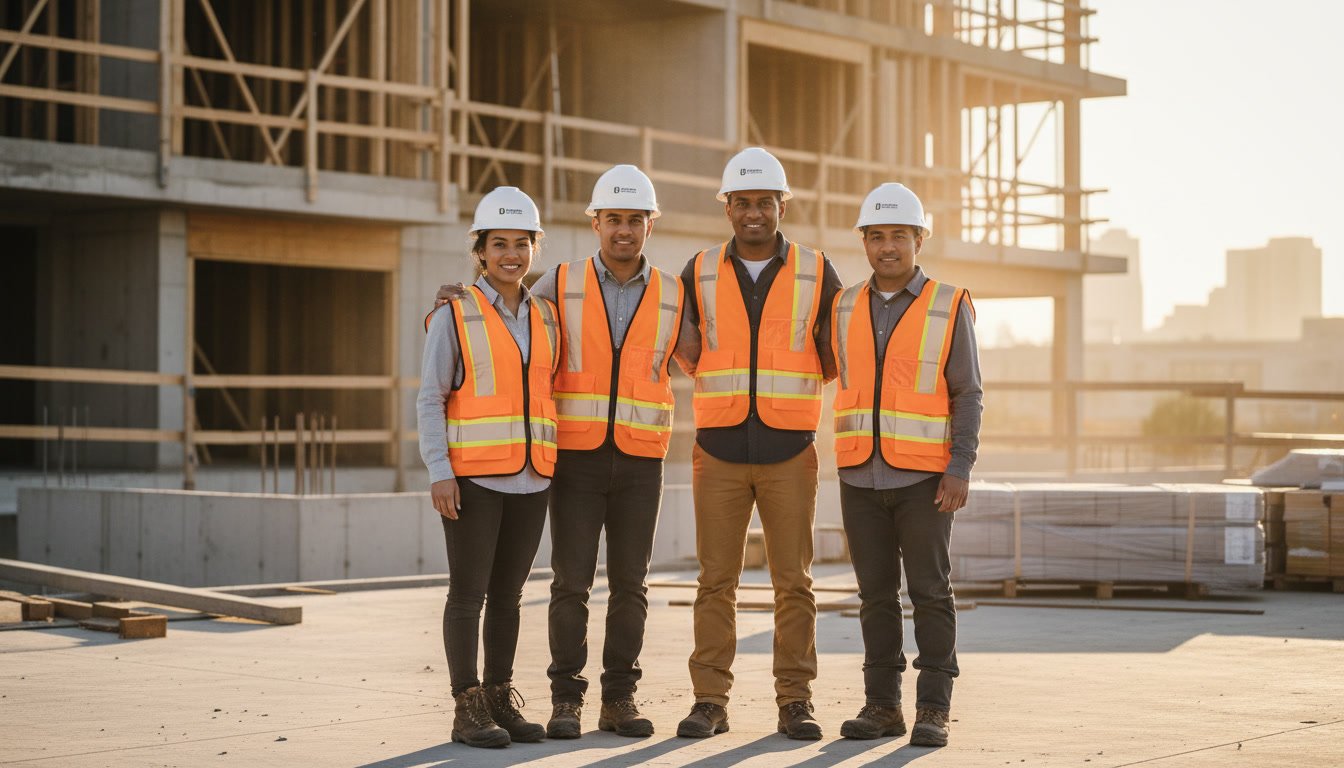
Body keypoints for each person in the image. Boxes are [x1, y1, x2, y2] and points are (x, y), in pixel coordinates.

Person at [435, 165, 684, 739]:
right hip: (573, 457)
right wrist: (453, 296)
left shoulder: (674, 293)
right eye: (613, 219)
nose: (624, 230)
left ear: (650, 224)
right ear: (595, 223)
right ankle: (566, 701)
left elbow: (702, 352)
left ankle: (618, 699)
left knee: (631, 586)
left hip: (642, 458)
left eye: (635, 219)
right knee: (570, 583)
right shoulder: (559, 284)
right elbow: (501, 311)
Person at [672, 147, 843, 741]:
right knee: (714, 583)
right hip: (718, 447)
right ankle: (709, 702)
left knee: (793, 583)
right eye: (742, 202)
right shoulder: (698, 270)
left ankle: (795, 701)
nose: (753, 213)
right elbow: (674, 335)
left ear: (781, 207)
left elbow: (835, 349)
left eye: (764, 203)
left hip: (789, 449)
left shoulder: (817, 270)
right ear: (727, 208)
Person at [829, 182, 982, 747]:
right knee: (874, 597)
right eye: (876, 236)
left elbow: (968, 392)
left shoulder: (948, 303)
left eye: (898, 235)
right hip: (859, 474)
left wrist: (960, 466)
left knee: (930, 593)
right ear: (864, 242)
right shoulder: (844, 305)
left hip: (925, 479)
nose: (887, 246)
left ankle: (934, 709)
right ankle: (882, 707)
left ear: (919, 239)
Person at [416, 186, 560, 749]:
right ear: (480, 251)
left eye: (522, 243)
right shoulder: (454, 314)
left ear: (534, 248)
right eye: (499, 244)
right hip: (472, 480)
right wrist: (439, 470)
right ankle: (466, 706)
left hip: (531, 477)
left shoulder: (545, 315)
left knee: (508, 598)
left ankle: (499, 697)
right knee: (467, 595)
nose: (511, 255)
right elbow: (431, 397)